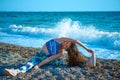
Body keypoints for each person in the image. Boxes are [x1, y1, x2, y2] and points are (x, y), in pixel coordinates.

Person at [4, 37, 96, 76]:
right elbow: (75, 40)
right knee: (30, 63)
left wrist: (39, 66)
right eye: (68, 41)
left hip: (45, 59)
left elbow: (49, 59)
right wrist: (86, 48)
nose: (66, 42)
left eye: (68, 44)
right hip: (39, 56)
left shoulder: (60, 53)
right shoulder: (60, 40)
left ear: (67, 48)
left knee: (63, 62)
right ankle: (15, 71)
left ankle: (89, 61)